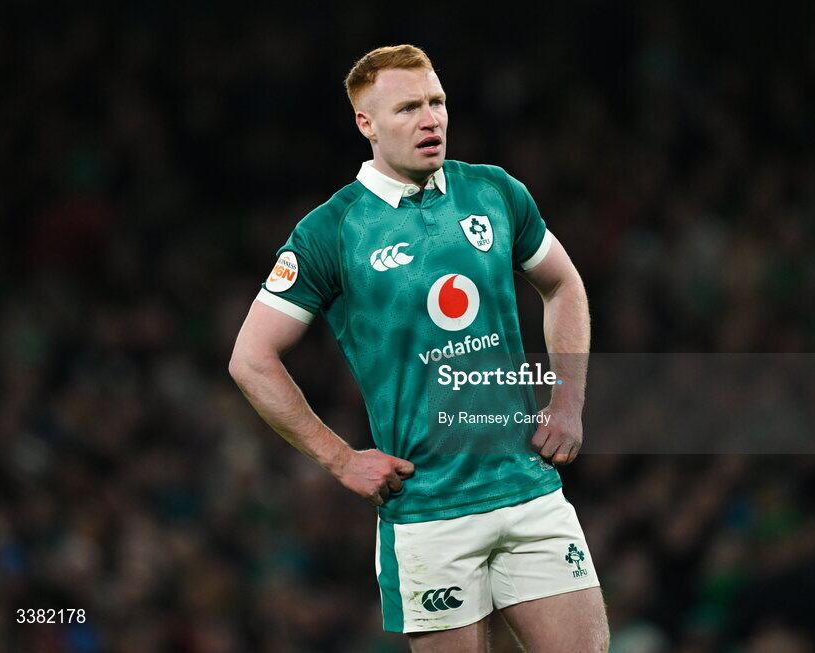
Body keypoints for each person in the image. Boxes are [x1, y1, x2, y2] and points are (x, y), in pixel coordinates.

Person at [229, 44, 608, 652]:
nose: (430, 119)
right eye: (407, 108)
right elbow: (250, 358)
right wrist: (339, 458)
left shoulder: (493, 192)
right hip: (429, 513)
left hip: (529, 492)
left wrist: (568, 399)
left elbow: (563, 283)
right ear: (366, 125)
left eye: (437, 102)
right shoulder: (331, 230)